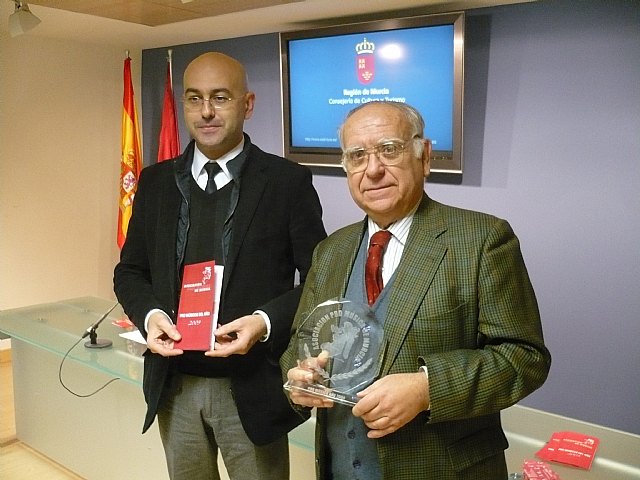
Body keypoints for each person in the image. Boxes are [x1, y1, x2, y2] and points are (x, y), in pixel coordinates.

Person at [282, 101, 551, 480]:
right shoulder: (330, 252)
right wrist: (300, 377)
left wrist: (427, 387)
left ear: (424, 156)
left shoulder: (482, 240)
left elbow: (525, 358)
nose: (373, 170)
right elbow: (300, 343)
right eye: (357, 156)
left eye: (388, 150)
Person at [113, 52, 326, 480]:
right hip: (175, 383)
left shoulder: (287, 182)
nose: (206, 111)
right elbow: (129, 271)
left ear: (247, 104)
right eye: (194, 99)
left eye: (220, 97)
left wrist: (265, 321)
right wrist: (151, 316)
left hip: (252, 385)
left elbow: (321, 277)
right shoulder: (155, 183)